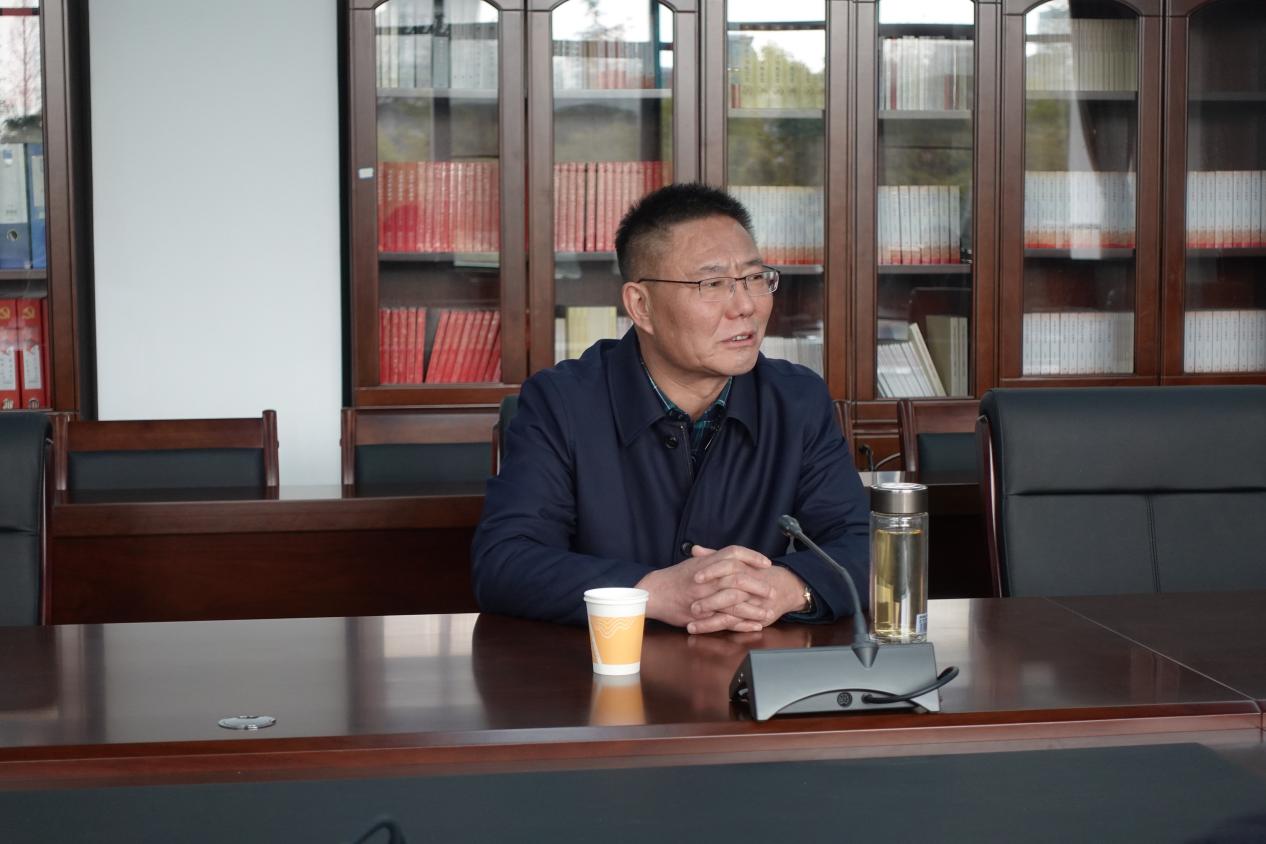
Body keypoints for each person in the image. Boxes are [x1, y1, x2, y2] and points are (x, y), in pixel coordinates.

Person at [472, 182, 869, 633]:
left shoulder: (796, 399)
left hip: (749, 668)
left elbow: (863, 546)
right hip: (603, 668)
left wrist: (788, 586)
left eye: (755, 278)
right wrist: (652, 593)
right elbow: (505, 562)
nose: (746, 306)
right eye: (712, 284)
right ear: (641, 306)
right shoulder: (561, 403)